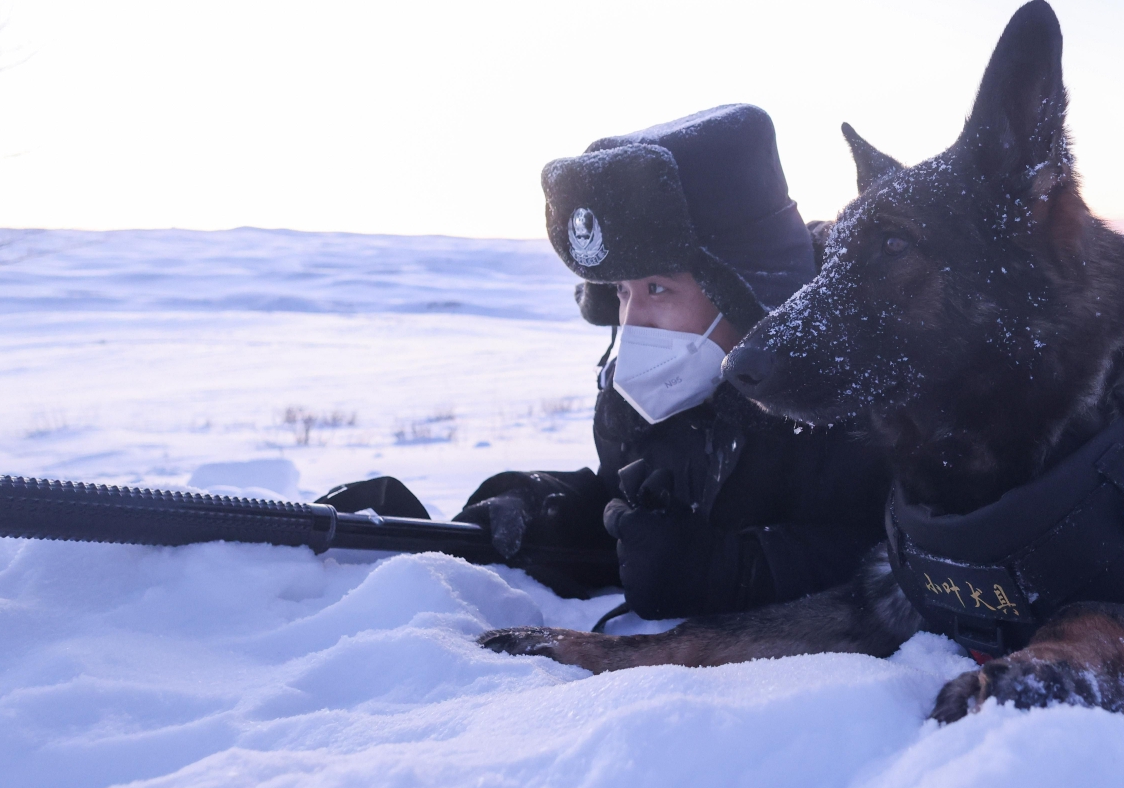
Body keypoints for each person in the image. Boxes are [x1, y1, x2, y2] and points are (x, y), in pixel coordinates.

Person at [320, 105, 889, 621]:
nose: (634, 320)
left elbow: (899, 546)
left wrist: (737, 571)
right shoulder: (644, 398)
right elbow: (624, 508)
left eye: (659, 289)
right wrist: (536, 508)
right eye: (619, 291)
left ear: (746, 284)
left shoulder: (851, 383)